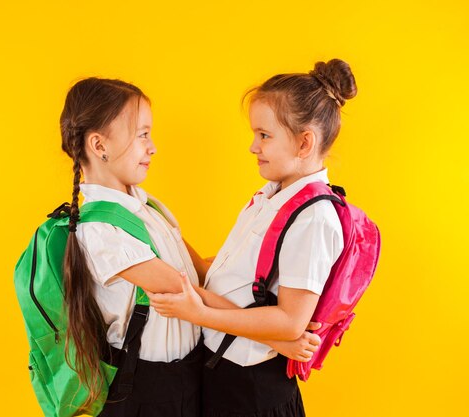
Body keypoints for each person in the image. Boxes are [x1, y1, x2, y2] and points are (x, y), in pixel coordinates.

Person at [57, 77, 320, 417]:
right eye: (142, 134)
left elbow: (203, 272)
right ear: (98, 144)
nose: (152, 147)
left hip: (187, 377)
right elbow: (183, 290)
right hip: (143, 390)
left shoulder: (148, 206)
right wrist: (277, 337)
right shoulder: (100, 228)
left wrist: (283, 310)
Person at [149, 58, 357, 417]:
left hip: (254, 390)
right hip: (226, 375)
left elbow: (291, 322)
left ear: (304, 143)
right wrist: (155, 222)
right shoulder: (271, 197)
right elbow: (225, 279)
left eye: (264, 135)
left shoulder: (313, 218)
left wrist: (197, 312)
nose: (253, 146)